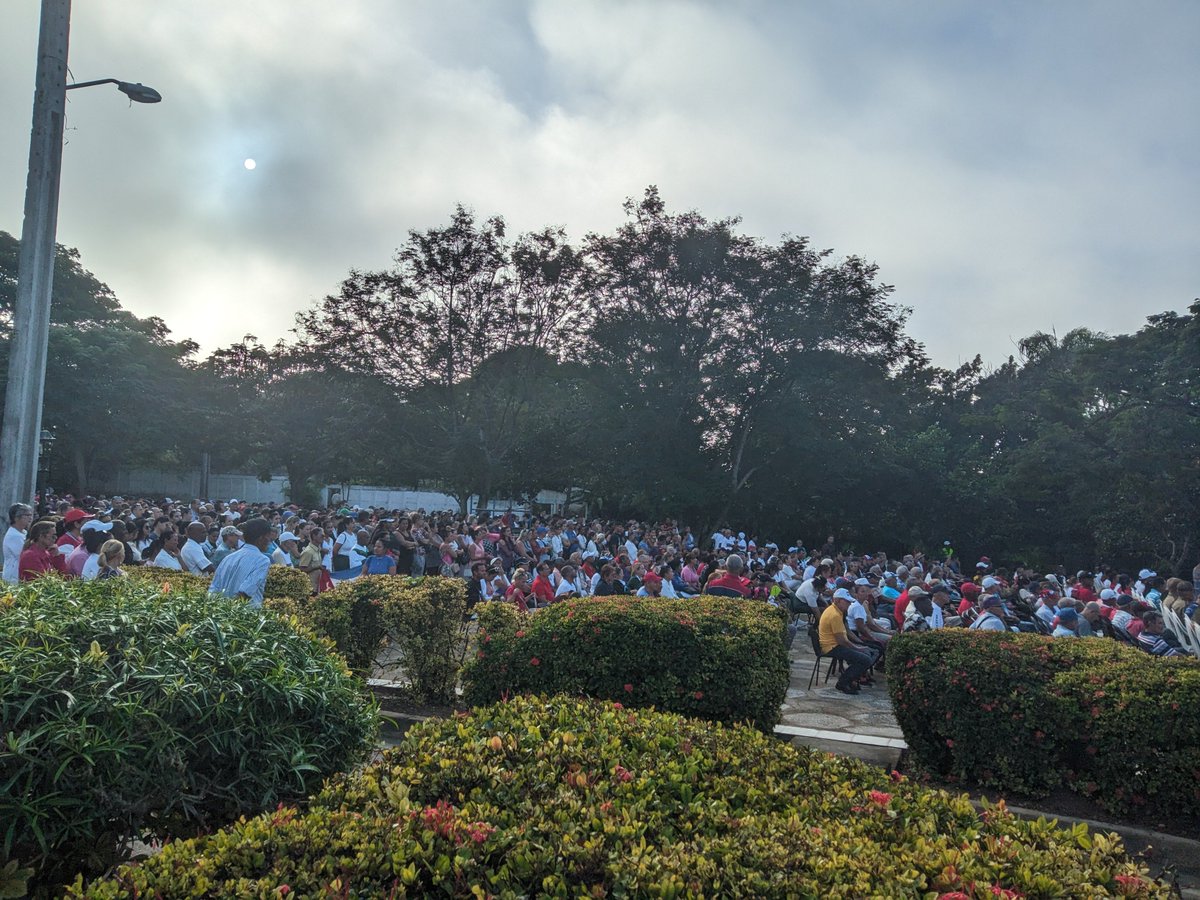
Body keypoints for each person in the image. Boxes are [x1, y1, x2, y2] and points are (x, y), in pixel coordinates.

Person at [818, 588, 875, 696]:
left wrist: (859, 645)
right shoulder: (834, 614)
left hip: (835, 645)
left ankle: (853, 680)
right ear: (838, 600)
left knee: (866, 653)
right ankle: (843, 683)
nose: (849, 604)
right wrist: (857, 648)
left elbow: (846, 633)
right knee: (865, 659)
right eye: (847, 601)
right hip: (832, 647)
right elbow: (841, 641)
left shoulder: (837, 611)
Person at [209, 517, 273, 606]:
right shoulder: (262, 560)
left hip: (221, 610)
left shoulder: (229, 558)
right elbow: (245, 593)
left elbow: (213, 590)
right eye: (269, 537)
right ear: (261, 538)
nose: (270, 541)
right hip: (245, 612)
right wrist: (231, 611)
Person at [3, 504, 33, 584]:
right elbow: (23, 554)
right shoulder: (14, 535)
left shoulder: (23, 532)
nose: (30, 518)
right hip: (13, 575)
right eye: (27, 515)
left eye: (31, 515)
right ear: (16, 518)